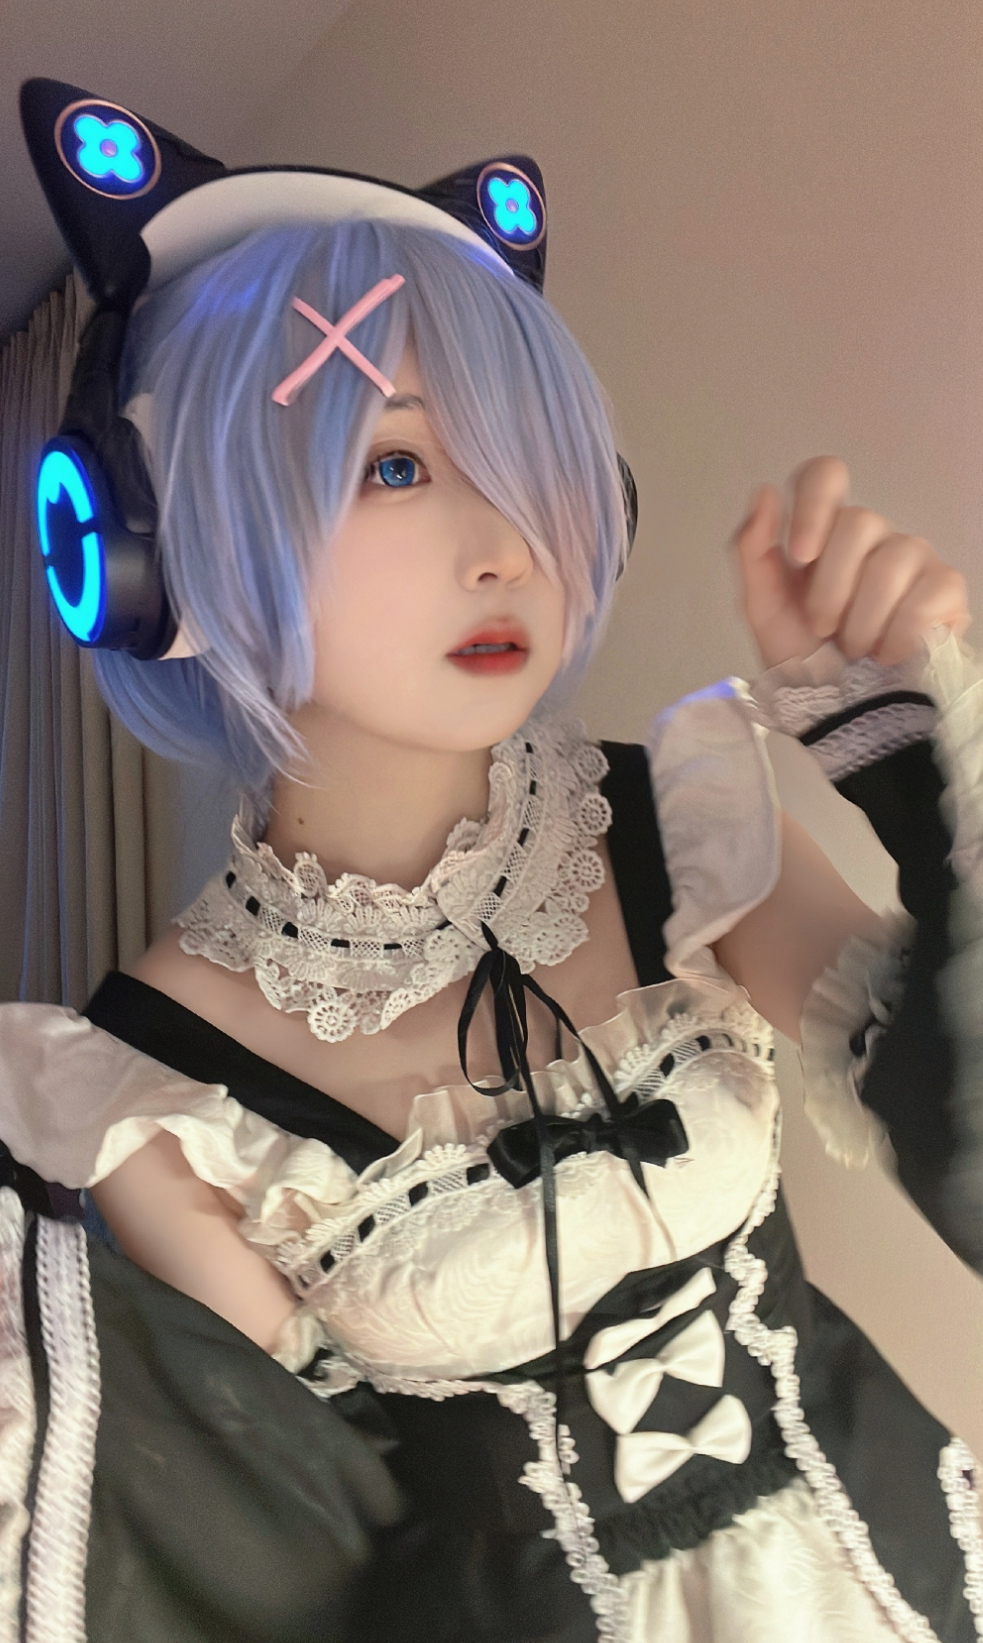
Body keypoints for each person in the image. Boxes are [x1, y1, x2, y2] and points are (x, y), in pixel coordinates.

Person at [0, 75, 980, 1643]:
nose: (509, 543)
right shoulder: (148, 1091)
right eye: (394, 465)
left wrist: (923, 773)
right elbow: (300, 1579)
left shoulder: (677, 824)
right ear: (156, 549)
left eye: (528, 463)